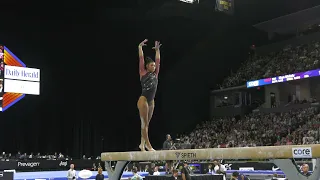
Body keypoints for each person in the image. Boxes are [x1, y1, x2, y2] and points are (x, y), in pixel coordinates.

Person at [137, 39, 161, 151]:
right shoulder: (143, 72)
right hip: (144, 100)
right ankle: (148, 145)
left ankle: (142, 143)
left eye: (155, 66)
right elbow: (141, 59)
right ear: (147, 66)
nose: (154, 66)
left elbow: (158, 60)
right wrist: (140, 47)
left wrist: (157, 50)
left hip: (151, 101)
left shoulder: (155, 74)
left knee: (147, 124)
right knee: (144, 124)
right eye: (152, 65)